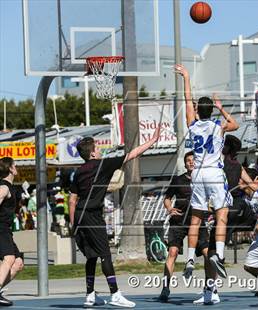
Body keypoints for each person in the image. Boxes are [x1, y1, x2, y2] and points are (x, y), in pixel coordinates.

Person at [69, 126, 160, 308]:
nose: (100, 150)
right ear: (93, 153)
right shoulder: (104, 164)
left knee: (91, 257)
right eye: (97, 148)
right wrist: (152, 140)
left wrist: (74, 225)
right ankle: (115, 294)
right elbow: (132, 154)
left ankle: (90, 295)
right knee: (105, 255)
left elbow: (72, 200)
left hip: (79, 216)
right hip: (92, 216)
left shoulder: (78, 172)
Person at [175, 64, 239, 279]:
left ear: (197, 110)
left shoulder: (192, 125)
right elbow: (236, 124)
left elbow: (187, 99)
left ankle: (191, 257)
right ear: (210, 110)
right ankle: (218, 255)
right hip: (213, 172)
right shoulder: (218, 125)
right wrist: (220, 107)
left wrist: (186, 77)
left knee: (196, 219)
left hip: (197, 175)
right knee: (221, 215)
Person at [158, 151, 215, 304]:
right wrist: (170, 209)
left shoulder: (204, 179)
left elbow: (212, 199)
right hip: (179, 222)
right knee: (173, 252)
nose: (191, 162)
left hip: (198, 222)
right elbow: (167, 198)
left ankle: (210, 288)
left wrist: (212, 211)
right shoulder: (178, 179)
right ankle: (165, 288)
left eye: (193, 160)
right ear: (185, 164)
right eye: (188, 160)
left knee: (207, 254)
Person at [0, 157, 24, 306]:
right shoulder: (4, 187)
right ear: (10, 168)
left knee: (18, 263)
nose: (17, 168)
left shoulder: (9, 186)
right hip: (0, 228)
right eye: (15, 165)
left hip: (6, 230)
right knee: (9, 259)